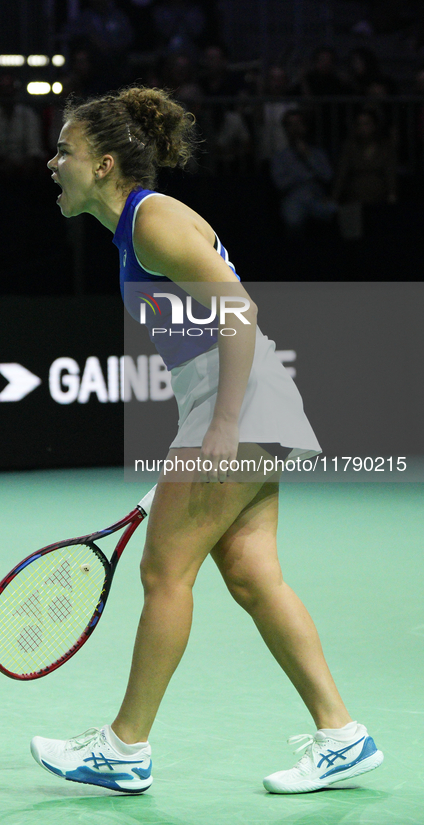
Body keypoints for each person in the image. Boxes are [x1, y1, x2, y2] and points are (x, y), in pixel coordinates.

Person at [31, 85, 384, 794]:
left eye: (63, 152)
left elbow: (238, 310)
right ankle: (341, 735)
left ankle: (123, 747)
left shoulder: (151, 222)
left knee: (165, 574)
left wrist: (219, 428)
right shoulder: (134, 227)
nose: (51, 164)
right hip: (248, 400)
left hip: (242, 404)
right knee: (254, 576)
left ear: (102, 164)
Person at [271, 108, 337, 238]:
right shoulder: (280, 156)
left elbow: (328, 176)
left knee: (335, 213)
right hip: (294, 199)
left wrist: (308, 157)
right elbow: (280, 184)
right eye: (291, 125)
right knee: (293, 221)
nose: (295, 128)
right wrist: (306, 176)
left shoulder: (317, 153)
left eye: (299, 124)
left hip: (318, 198)